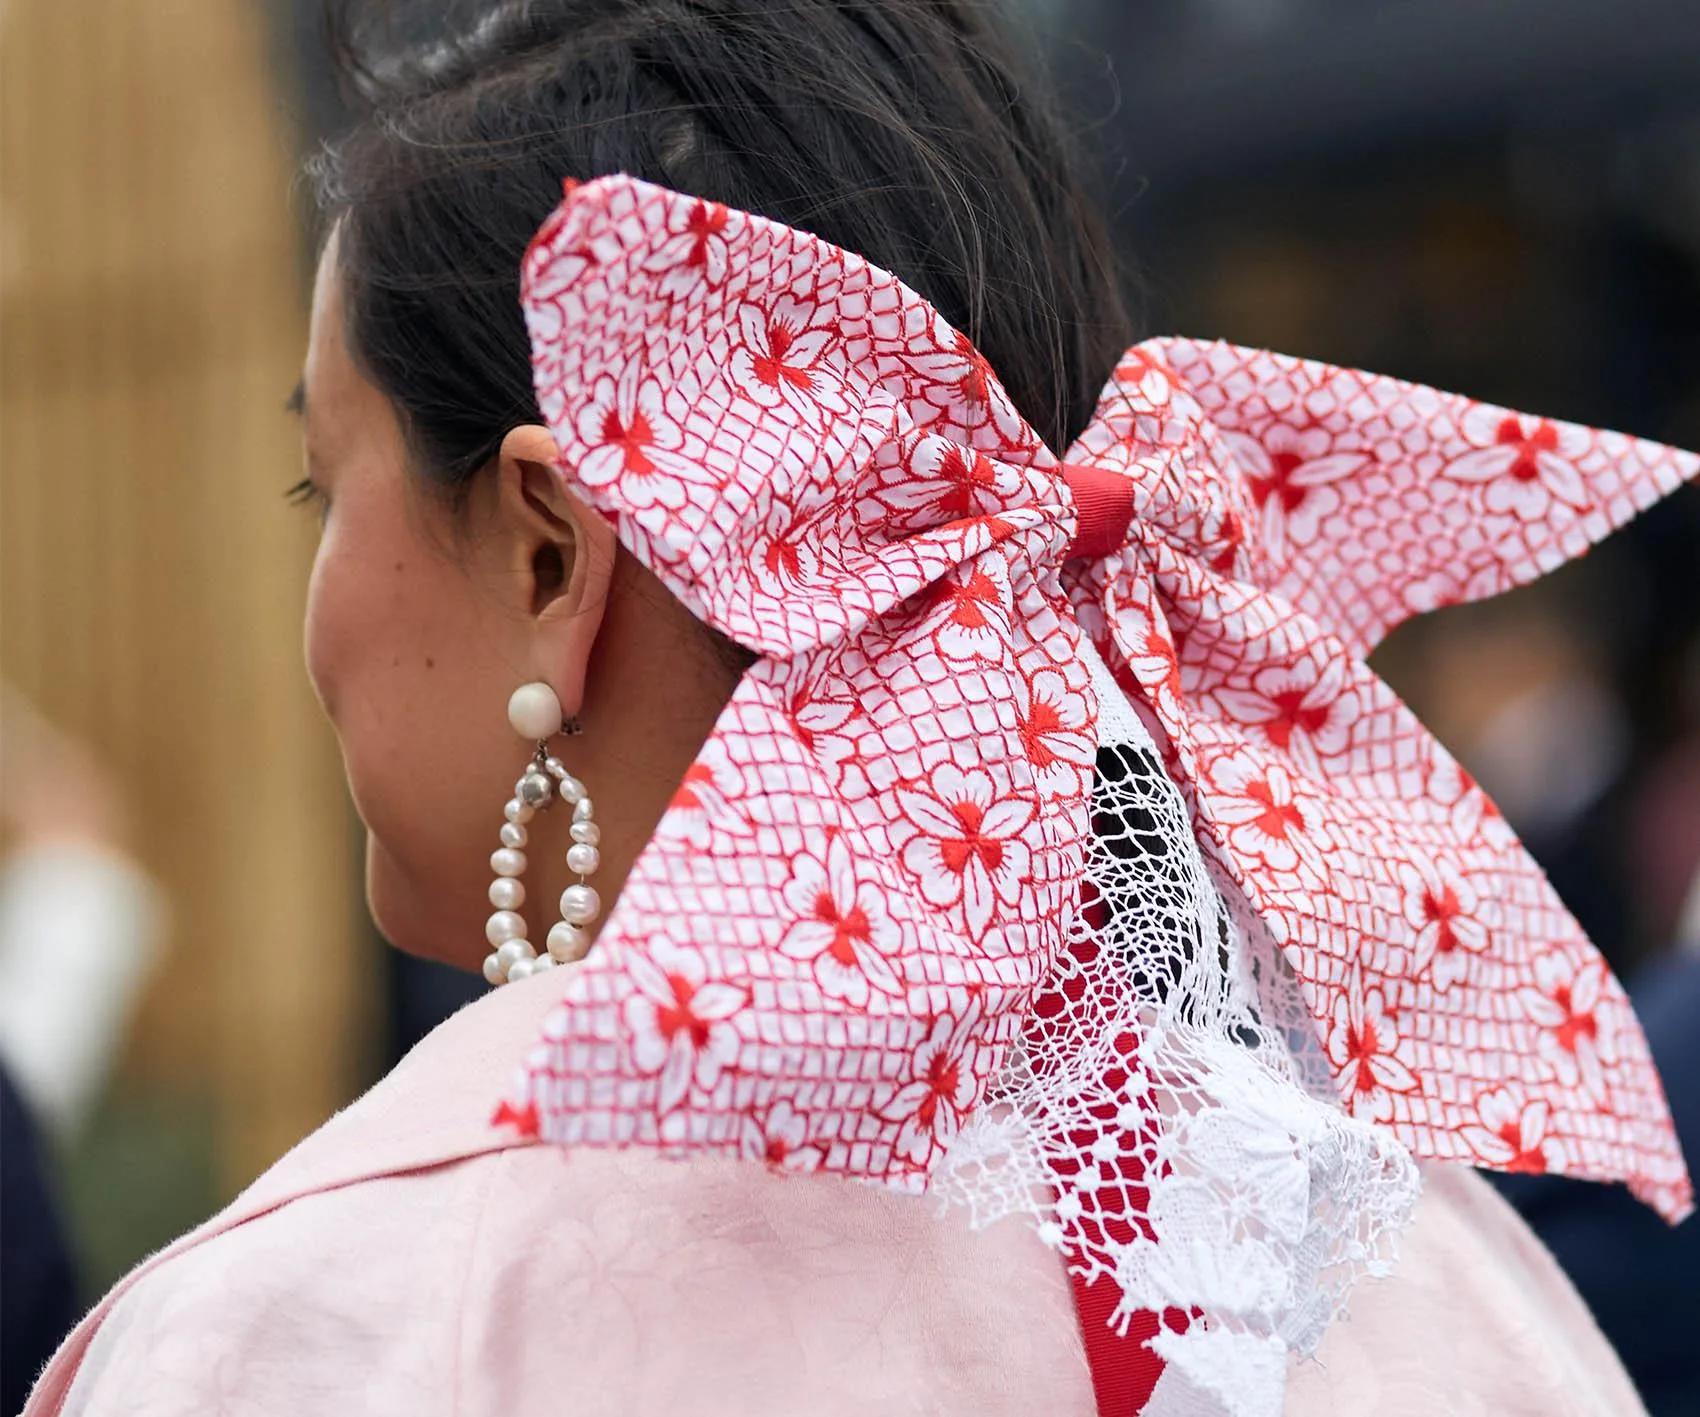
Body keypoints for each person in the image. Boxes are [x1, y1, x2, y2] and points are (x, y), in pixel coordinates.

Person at [24, 3, 1695, 1414]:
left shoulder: (332, 1328)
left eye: (320, 490)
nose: (313, 624)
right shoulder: (1422, 1260)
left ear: (550, 554)